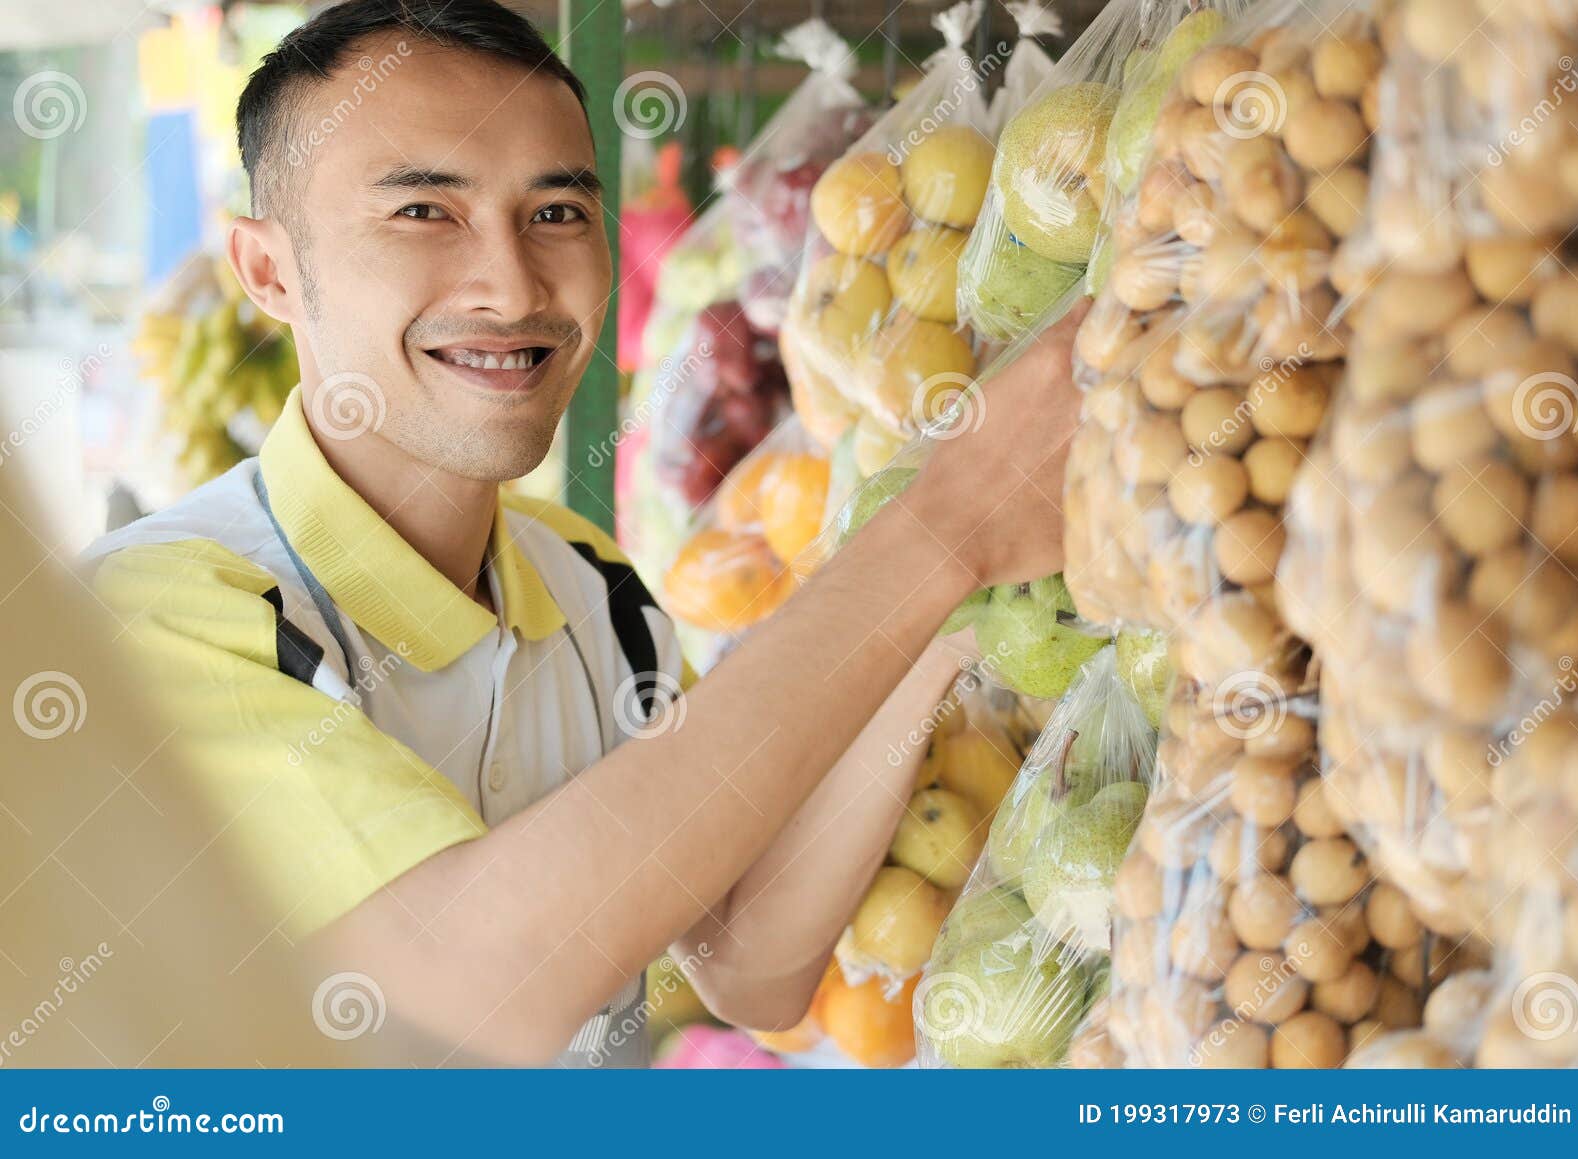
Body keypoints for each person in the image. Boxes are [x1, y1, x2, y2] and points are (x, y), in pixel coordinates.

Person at [85, 0, 1087, 1066]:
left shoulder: (591, 583)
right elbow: (475, 989)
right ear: (270, 272)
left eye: (556, 213)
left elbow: (748, 959)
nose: (513, 285)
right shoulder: (158, 622)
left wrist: (952, 616)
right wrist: (939, 533)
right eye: (425, 212)